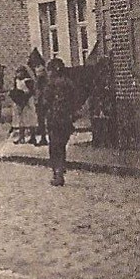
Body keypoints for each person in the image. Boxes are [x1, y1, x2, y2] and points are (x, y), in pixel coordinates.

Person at [40, 58, 81, 187]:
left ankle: (58, 173)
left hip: (54, 118)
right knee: (62, 145)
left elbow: (45, 101)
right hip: (66, 119)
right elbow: (76, 100)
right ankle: (61, 169)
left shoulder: (51, 84)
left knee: (54, 146)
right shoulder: (69, 83)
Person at [27, 49, 49, 147]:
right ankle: (34, 137)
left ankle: (43, 138)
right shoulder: (37, 69)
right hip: (38, 96)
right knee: (35, 118)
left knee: (41, 118)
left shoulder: (40, 69)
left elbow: (39, 84)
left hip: (41, 97)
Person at [9, 66, 36, 144]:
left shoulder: (28, 81)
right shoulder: (16, 80)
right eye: (17, 72)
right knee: (21, 120)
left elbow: (31, 91)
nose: (19, 74)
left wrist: (25, 97)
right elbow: (15, 89)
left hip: (28, 101)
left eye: (20, 72)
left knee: (30, 119)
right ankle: (21, 137)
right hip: (19, 101)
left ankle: (33, 137)